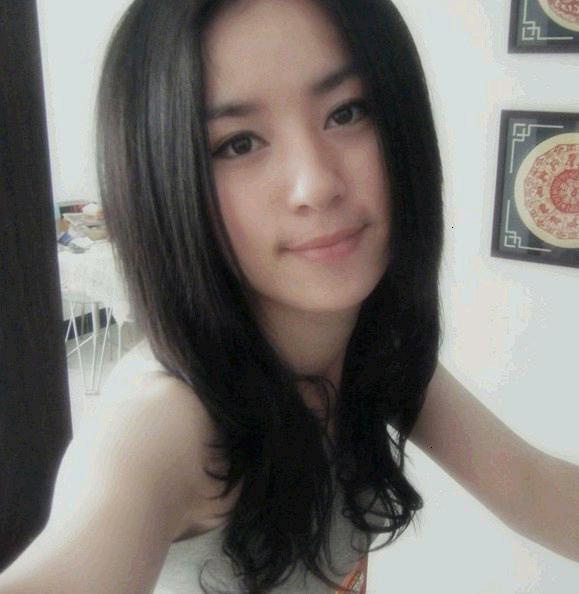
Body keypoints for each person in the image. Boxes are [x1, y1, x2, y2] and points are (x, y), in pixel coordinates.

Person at [1, 0, 577, 592]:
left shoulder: (371, 348)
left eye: (347, 112)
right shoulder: (166, 422)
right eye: (239, 143)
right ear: (163, 182)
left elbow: (530, 485)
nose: (316, 184)